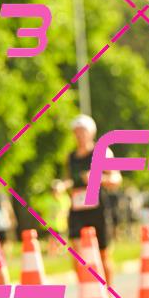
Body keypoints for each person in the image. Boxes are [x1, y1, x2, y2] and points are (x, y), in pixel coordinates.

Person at [66, 115, 115, 285]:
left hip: (98, 208)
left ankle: (109, 292)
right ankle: (86, 290)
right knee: (77, 253)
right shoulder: (71, 157)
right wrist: (63, 186)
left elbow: (116, 179)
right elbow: (70, 180)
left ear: (91, 133)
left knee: (103, 253)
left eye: (82, 132)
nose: (79, 135)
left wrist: (97, 177)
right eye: (76, 132)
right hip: (78, 209)